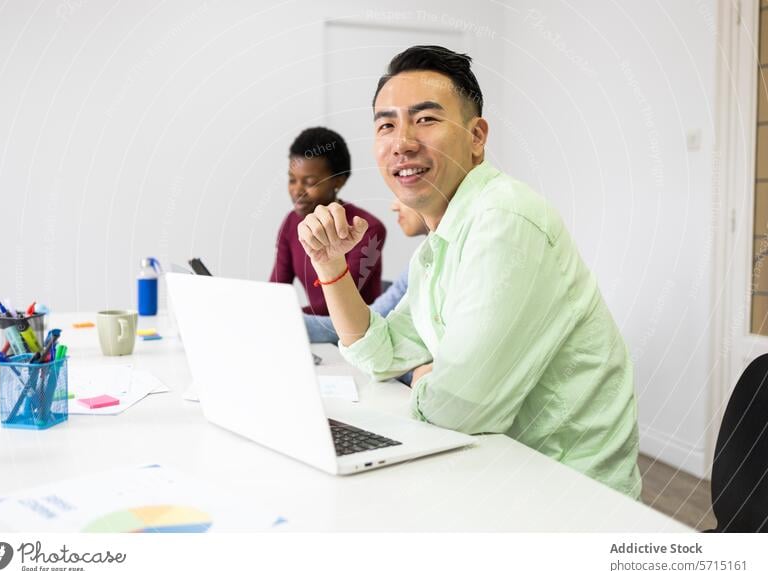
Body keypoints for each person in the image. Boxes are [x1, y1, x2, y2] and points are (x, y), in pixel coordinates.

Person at [295, 46, 642, 499]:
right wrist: (330, 265)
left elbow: (459, 410)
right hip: (498, 471)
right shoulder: (440, 244)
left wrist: (426, 381)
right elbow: (384, 354)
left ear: (477, 136)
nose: (402, 141)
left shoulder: (505, 219)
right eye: (386, 125)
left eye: (425, 119)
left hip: (567, 496)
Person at [270, 127, 386, 316]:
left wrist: (286, 317)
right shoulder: (291, 223)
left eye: (309, 182)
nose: (297, 190)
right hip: (317, 329)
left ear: (338, 181)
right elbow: (276, 290)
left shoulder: (367, 227)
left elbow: (342, 299)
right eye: (292, 180)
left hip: (359, 330)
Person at [304, 198, 428, 345]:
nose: (394, 206)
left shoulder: (370, 228)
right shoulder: (420, 259)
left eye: (402, 196)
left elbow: (370, 327)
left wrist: (287, 321)